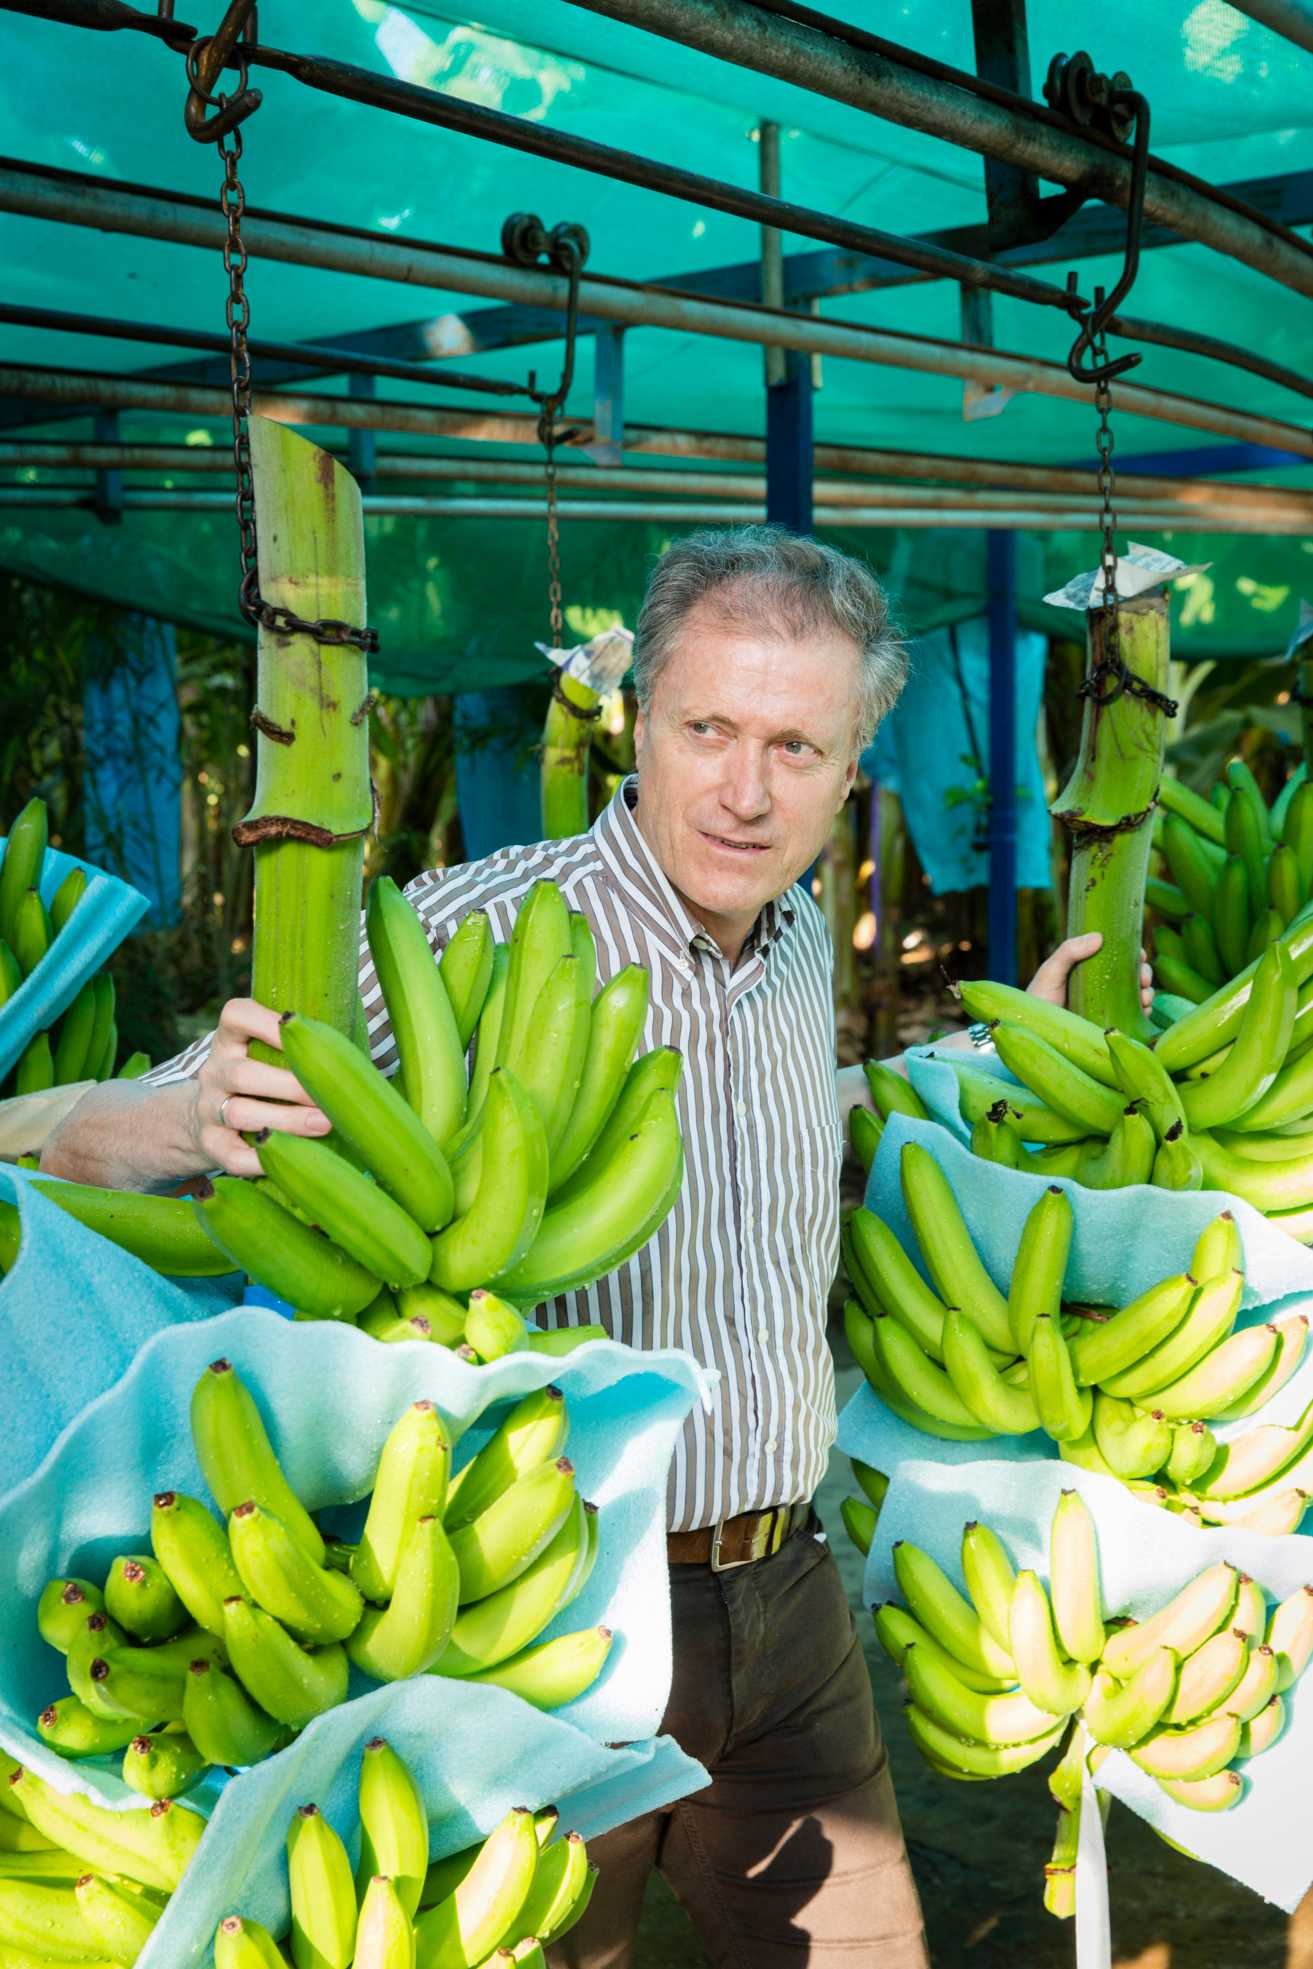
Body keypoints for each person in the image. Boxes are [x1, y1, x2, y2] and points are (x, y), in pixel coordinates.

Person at [42, 527, 1150, 1968]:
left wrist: (1000, 1064)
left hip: (786, 1593)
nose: (747, 792)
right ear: (644, 716)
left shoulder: (799, 934)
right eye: (709, 729)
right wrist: (175, 1114)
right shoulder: (466, 934)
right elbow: (102, 1133)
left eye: (797, 748)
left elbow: (784, 1128)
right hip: (541, 1609)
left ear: (854, 759)